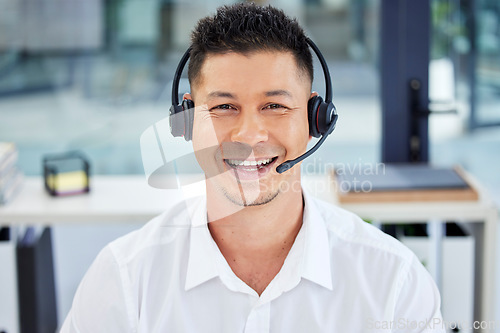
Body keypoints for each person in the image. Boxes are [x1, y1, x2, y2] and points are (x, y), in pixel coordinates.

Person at [61, 3, 445, 332]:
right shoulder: (124, 279)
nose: (248, 134)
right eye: (224, 107)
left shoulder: (393, 281)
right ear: (186, 118)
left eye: (275, 106)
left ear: (315, 119)